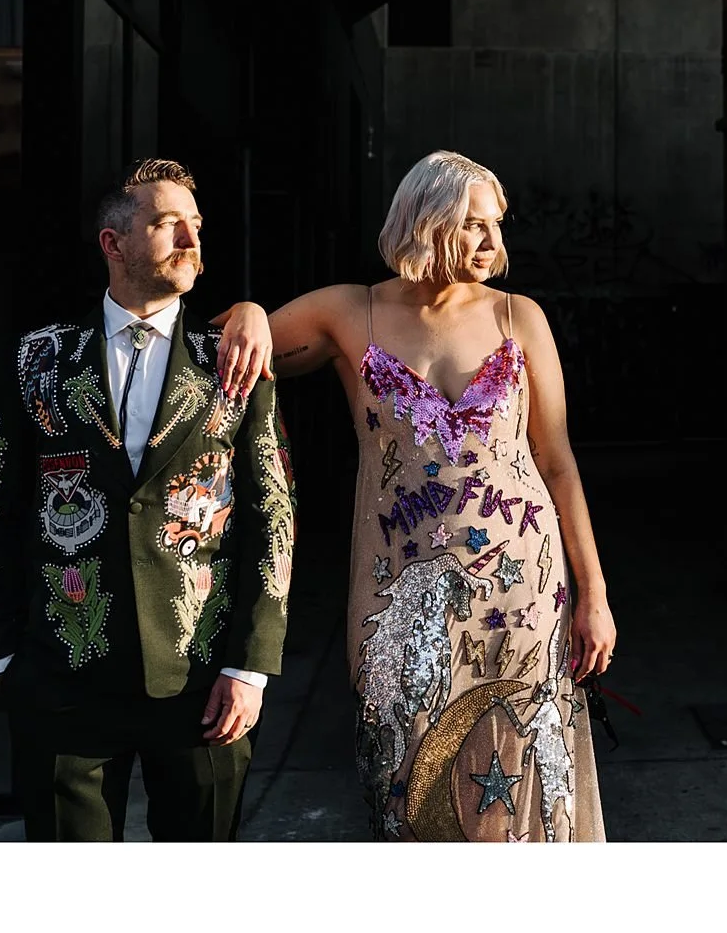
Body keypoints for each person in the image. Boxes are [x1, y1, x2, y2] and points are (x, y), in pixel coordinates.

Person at [212, 149, 616, 842]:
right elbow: (229, 347)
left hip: (523, 594)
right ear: (428, 222)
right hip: (397, 599)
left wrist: (594, 596)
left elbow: (558, 463)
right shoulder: (353, 311)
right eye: (474, 225)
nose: (493, 242)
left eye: (496, 225)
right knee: (405, 780)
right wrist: (249, 308)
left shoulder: (519, 317)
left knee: (524, 780)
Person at [0, 158, 297, 841]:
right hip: (63, 677)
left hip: (204, 681)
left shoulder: (231, 359)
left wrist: (250, 666)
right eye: (168, 223)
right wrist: (5, 655)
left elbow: (273, 515)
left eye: (196, 224)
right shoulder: (35, 361)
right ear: (113, 243)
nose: (191, 240)